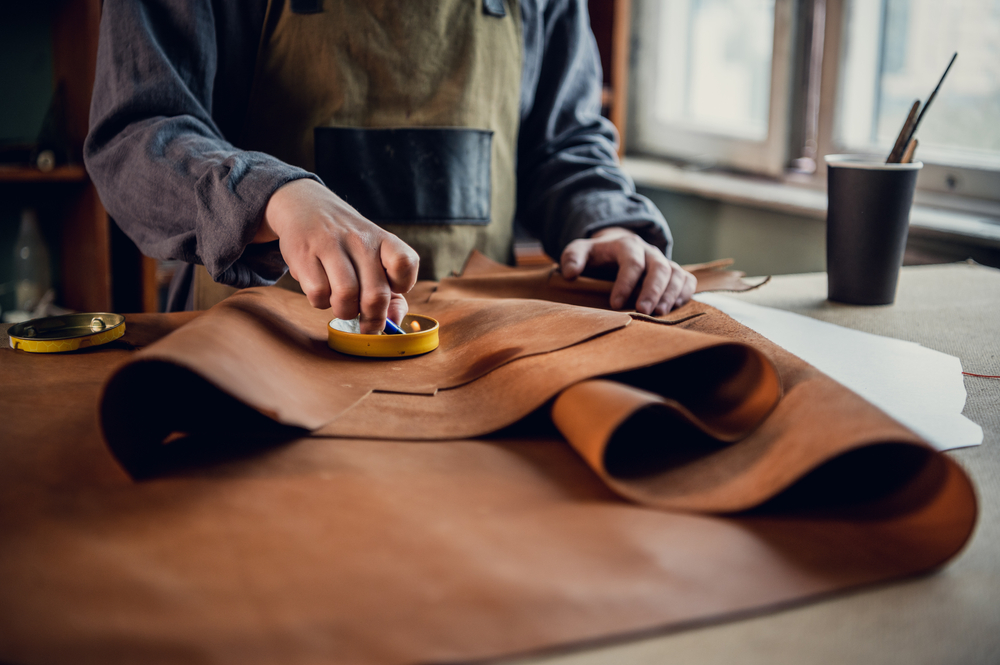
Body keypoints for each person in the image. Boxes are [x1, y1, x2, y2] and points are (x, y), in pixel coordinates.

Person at [85, 0, 696, 334]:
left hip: (483, 357)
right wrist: (273, 196)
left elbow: (563, 139)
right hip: (258, 354)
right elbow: (140, 130)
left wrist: (605, 224)